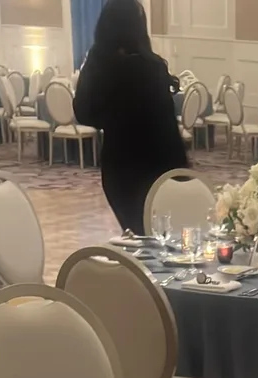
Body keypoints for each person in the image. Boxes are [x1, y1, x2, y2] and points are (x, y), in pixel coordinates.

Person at [74, 0, 187, 234]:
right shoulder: (152, 67)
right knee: (157, 236)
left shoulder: (101, 64)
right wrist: (182, 172)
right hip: (159, 162)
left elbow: (83, 112)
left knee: (138, 232)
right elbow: (168, 126)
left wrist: (113, 118)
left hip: (120, 165)